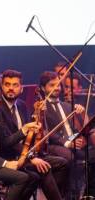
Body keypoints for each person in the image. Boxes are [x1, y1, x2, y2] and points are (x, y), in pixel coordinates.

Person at [0, 69, 69, 199]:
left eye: (15, 85)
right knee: (43, 169)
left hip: (26, 155)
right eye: (7, 84)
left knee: (62, 163)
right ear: (1, 87)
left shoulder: (22, 105)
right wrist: (31, 157)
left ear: (21, 88)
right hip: (9, 158)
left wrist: (39, 116)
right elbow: (6, 142)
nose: (11, 88)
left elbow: (30, 136)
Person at [40, 71, 95, 199]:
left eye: (59, 84)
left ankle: (88, 193)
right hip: (54, 146)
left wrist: (81, 115)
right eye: (52, 85)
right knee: (69, 156)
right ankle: (67, 194)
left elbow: (75, 130)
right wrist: (67, 143)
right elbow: (48, 133)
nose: (57, 87)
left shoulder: (67, 106)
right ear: (43, 88)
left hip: (73, 144)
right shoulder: (41, 107)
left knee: (92, 155)